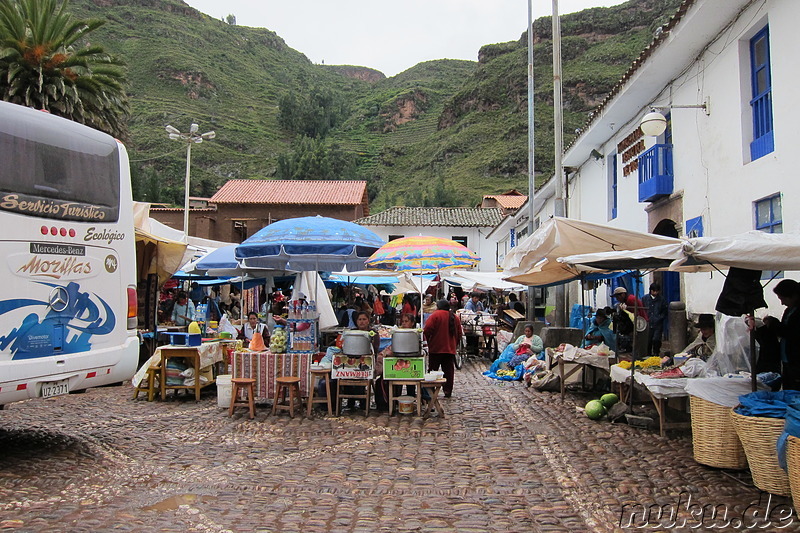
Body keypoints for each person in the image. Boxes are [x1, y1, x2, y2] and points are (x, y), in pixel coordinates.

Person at [756, 280, 800, 389]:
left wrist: (773, 324)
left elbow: (792, 333)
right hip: (787, 359)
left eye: (783, 299)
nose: (782, 303)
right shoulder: (789, 311)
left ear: (793, 296)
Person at [424, 299, 463, 398]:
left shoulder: (435, 315)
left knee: (433, 370)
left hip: (436, 348)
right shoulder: (454, 317)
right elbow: (459, 334)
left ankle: (431, 391)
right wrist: (454, 344)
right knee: (449, 372)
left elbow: (427, 329)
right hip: (449, 349)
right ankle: (447, 391)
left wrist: (428, 342)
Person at [642, 282, 668, 357]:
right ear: (651, 291)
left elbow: (664, 311)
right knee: (648, 339)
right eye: (654, 291)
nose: (655, 293)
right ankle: (648, 353)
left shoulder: (662, 300)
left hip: (658, 323)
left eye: (657, 291)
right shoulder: (645, 298)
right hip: (648, 322)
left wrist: (660, 317)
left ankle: (656, 353)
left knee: (656, 339)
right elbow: (643, 309)